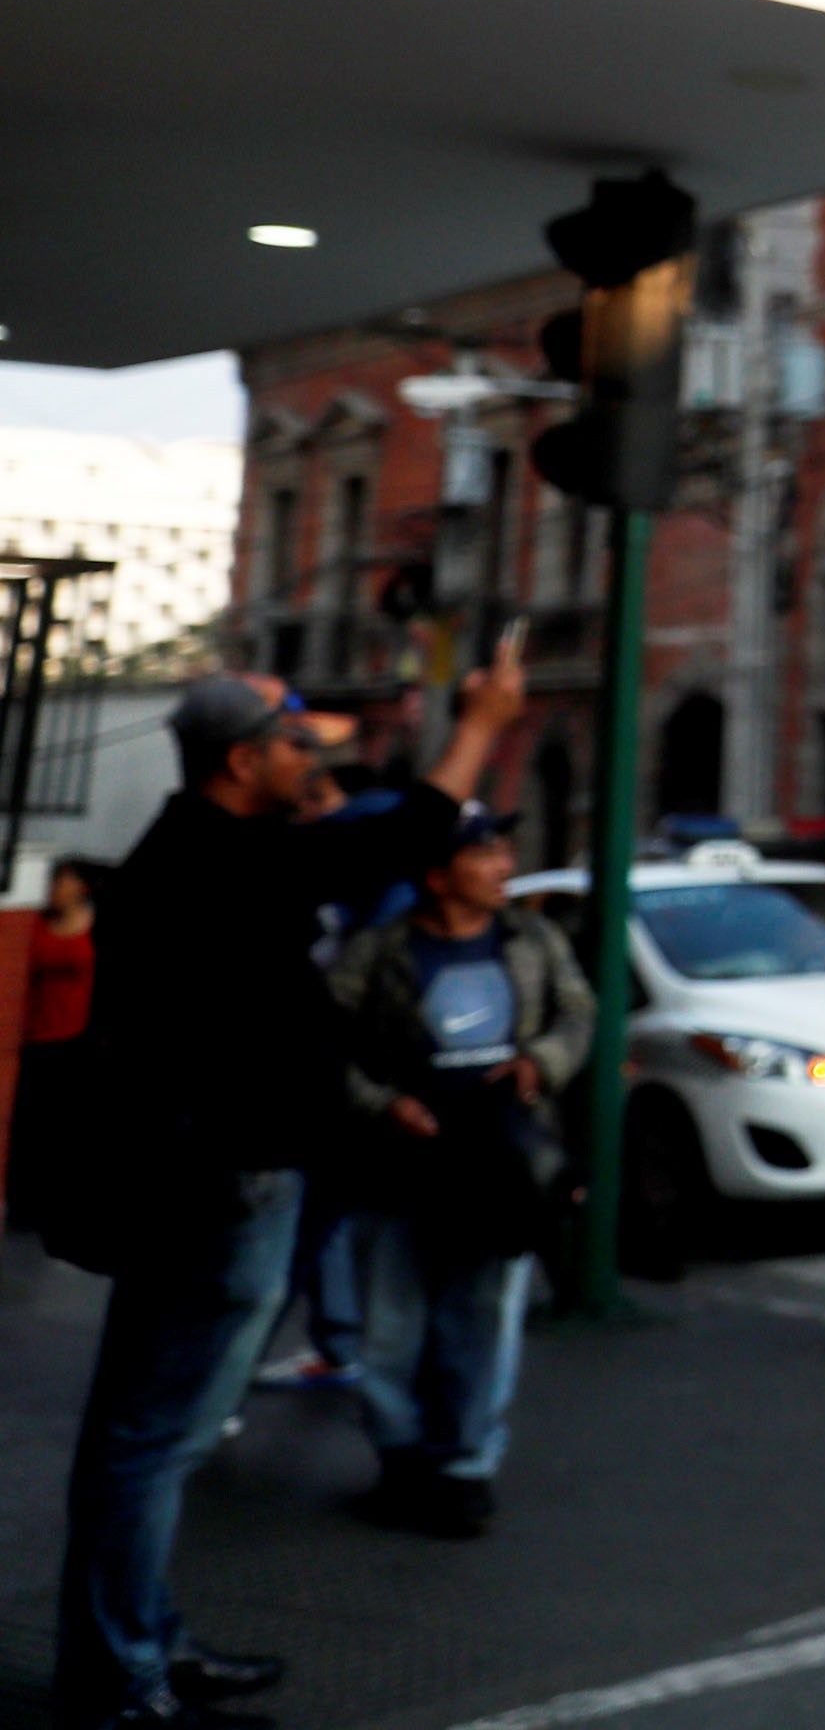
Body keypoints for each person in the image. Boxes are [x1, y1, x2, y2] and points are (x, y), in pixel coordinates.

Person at [61, 649, 520, 1730]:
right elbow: (405, 833)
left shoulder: (215, 848)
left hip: (208, 1178)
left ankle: (141, 1639)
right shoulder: (218, 859)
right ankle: (124, 1670)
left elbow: (372, 837)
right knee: (152, 1438)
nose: (311, 761)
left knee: (144, 1434)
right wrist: (480, 724)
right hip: (221, 1185)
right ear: (240, 760)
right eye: (294, 743)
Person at [325, 803, 593, 1536]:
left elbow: (577, 1013)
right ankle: (401, 1460)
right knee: (392, 1324)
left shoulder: (532, 939)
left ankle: (465, 1465)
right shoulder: (378, 951)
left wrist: (541, 1063)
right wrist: (381, 1105)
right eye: (486, 855)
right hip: (402, 1167)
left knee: (482, 1321)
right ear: (439, 876)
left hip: (499, 1169)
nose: (505, 866)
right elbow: (326, 1043)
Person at [10, 857, 105, 1222]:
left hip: (73, 1039)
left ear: (81, 887)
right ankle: (23, 1201)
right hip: (34, 1035)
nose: (54, 889)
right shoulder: (36, 925)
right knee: (28, 1124)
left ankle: (48, 1202)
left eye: (62, 882)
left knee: (58, 1127)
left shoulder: (97, 926)